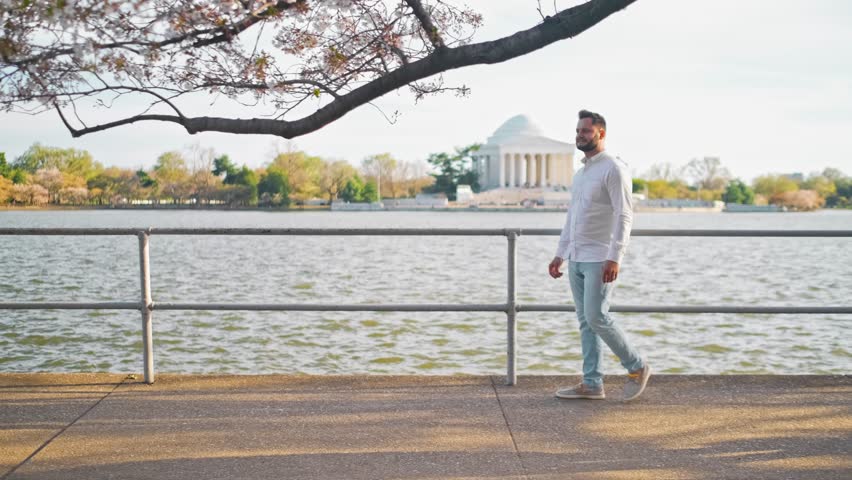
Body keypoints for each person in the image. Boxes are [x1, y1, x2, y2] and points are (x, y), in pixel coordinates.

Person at [547, 109, 651, 402]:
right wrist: (560, 253)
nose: (580, 135)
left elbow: (624, 214)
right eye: (578, 130)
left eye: (586, 131)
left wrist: (615, 256)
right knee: (585, 320)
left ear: (601, 133)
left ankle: (637, 365)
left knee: (597, 316)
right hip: (577, 256)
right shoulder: (581, 174)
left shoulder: (613, 169)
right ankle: (592, 384)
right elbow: (572, 217)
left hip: (600, 257)